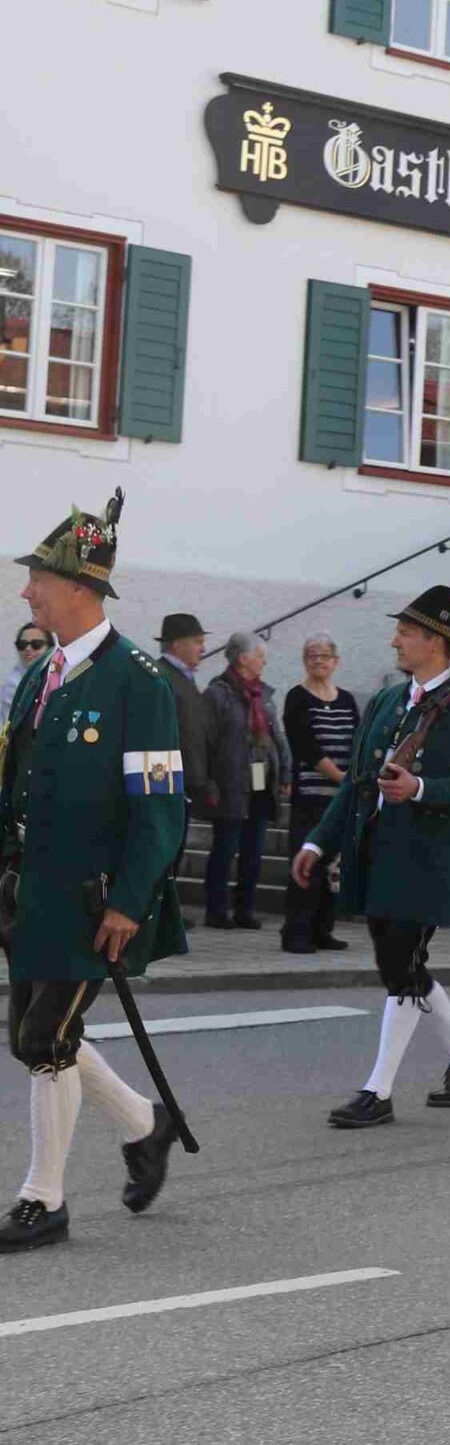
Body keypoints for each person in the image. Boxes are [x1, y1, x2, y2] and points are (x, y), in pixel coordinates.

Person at [1, 492, 189, 1252]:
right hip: (30, 890)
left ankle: (43, 1200)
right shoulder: (42, 672)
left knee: (46, 1036)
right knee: (33, 1036)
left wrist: (131, 902)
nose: (26, 592)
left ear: (79, 587)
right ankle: (147, 1124)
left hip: (93, 898)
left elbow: (161, 808)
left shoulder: (138, 682)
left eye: (38, 579)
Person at [291, 583, 450, 1129]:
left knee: (400, 968)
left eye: (405, 632)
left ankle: (378, 1091)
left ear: (435, 641)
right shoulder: (388, 701)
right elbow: (357, 783)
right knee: (402, 966)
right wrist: (318, 840)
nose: (395, 641)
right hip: (378, 855)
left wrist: (421, 788)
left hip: (426, 860)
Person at [201, 632, 289, 931]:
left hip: (261, 780)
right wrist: (208, 781)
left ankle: (245, 909)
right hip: (230, 783)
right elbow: (206, 741)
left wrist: (285, 771)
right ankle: (216, 910)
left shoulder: (263, 694)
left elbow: (277, 736)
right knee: (225, 848)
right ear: (243, 659)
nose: (264, 661)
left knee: (253, 850)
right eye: (260, 656)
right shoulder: (217, 694)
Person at [280, 633, 357, 954]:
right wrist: (340, 776)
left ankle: (323, 930)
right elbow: (305, 745)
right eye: (312, 655)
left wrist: (353, 779)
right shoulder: (297, 697)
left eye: (324, 655)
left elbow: (359, 740)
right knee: (306, 865)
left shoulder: (347, 699)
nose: (318, 661)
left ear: (335, 662)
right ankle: (296, 933)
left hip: (340, 800)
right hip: (311, 797)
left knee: (333, 866)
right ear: (304, 661)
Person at [154, 615, 213, 833]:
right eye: (198, 642)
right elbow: (156, 735)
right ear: (177, 645)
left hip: (184, 785)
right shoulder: (161, 678)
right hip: (167, 786)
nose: (203, 649)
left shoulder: (183, 678)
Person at [3, 620, 49, 707]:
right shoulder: (13, 685)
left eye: (36, 644)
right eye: (22, 645)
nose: (28, 649)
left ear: (50, 648)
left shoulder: (61, 675)